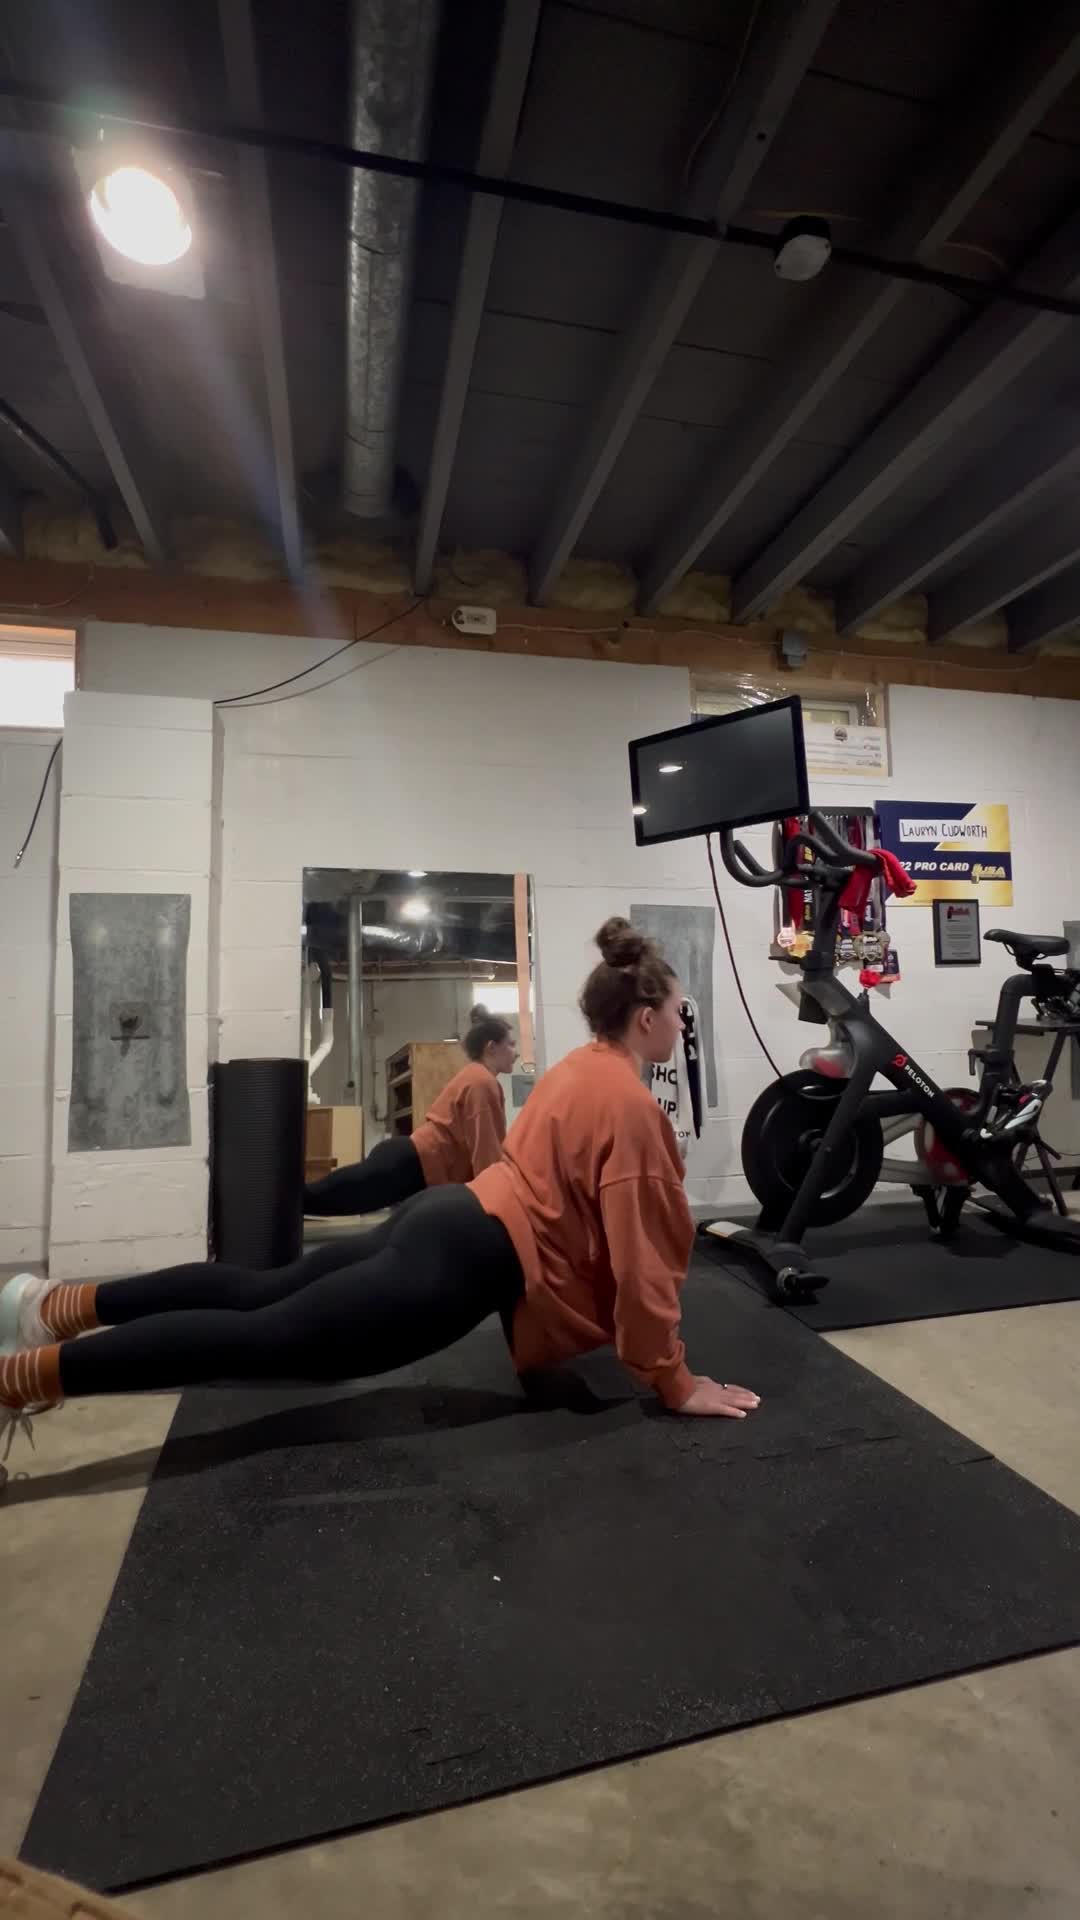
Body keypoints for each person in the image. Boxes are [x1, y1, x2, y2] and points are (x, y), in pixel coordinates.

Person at [0, 920, 759, 1467]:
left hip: (444, 1217)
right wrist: (673, 1379)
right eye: (679, 1012)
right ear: (647, 1018)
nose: (680, 1024)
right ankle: (16, 1379)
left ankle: (54, 1307)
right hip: (458, 1261)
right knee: (262, 1338)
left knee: (257, 1294)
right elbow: (640, 1263)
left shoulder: (574, 1071)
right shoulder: (630, 1106)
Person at [304, 1005, 516, 1217]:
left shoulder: (476, 1076)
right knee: (319, 1198)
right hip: (410, 1163)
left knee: (326, 1200)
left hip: (412, 1163)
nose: (516, 1053)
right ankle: (286, 1197)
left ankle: (288, 1198)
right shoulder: (482, 1082)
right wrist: (494, 1204)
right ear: (491, 1047)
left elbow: (484, 1148)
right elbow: (486, 1151)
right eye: (511, 1044)